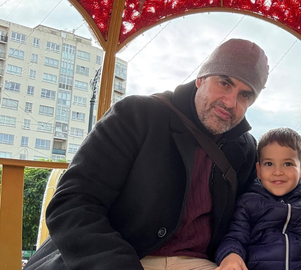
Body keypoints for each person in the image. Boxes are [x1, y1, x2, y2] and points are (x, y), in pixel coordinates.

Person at [24, 38, 269, 270]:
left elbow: (254, 215)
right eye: (224, 83)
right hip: (114, 259)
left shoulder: (245, 149)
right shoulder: (136, 115)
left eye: (245, 95)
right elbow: (73, 203)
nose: (229, 101)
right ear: (200, 79)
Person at [215, 127, 301, 270]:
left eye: (287, 164)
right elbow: (235, 237)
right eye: (269, 164)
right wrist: (231, 255)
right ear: (258, 171)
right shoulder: (249, 203)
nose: (277, 172)